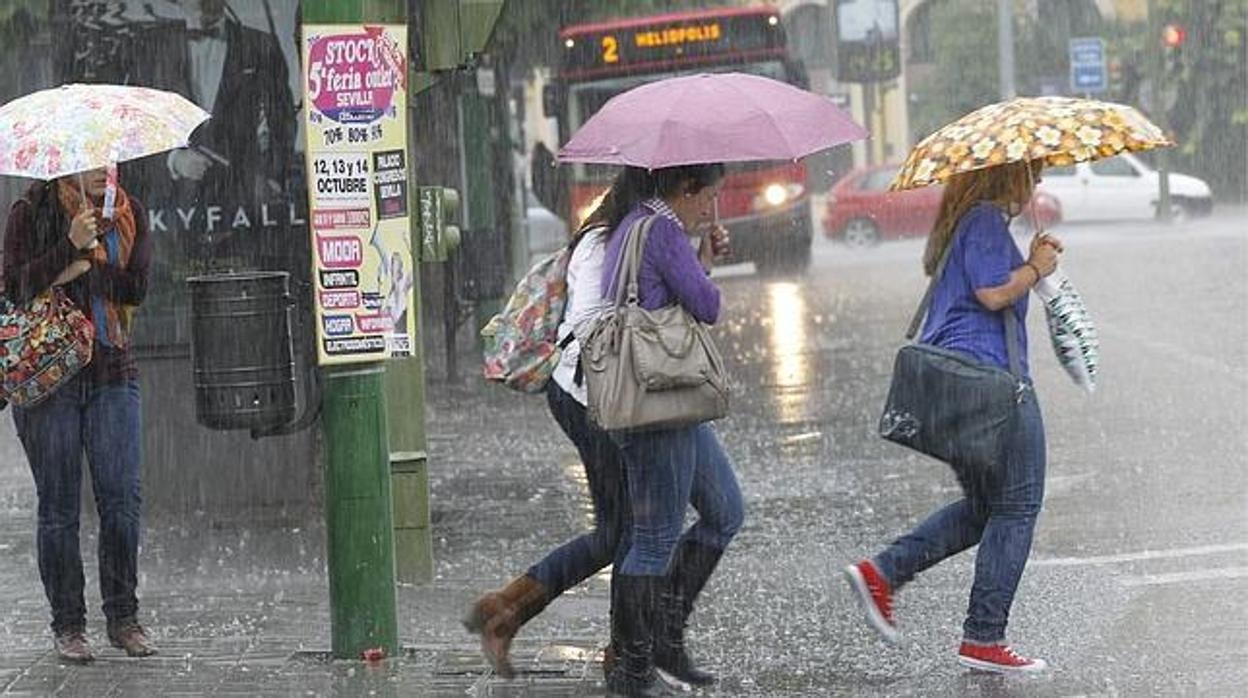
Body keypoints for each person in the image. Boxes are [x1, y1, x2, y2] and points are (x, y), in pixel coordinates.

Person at [844, 159, 1061, 674]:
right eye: (1034, 173)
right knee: (1019, 505)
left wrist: (1030, 264)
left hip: (961, 389)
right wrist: (1035, 269)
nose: (1039, 183)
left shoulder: (967, 222)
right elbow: (992, 294)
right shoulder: (983, 219)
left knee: (986, 506)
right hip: (993, 388)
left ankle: (884, 573)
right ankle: (984, 637)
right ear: (1007, 176)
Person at [462, 169, 638, 680]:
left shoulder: (614, 233)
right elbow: (590, 323)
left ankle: (506, 611)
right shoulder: (608, 242)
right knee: (631, 530)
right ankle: (622, 652)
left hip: (585, 394)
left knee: (619, 532)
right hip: (589, 397)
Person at [598, 164, 744, 697]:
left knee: (725, 508)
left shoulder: (632, 224)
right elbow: (706, 306)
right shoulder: (660, 229)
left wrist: (698, 258)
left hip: (666, 398)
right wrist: (701, 264)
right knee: (654, 540)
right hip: (658, 399)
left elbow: (661, 296)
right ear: (686, 190)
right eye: (709, 197)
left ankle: (665, 638)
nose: (711, 208)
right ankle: (635, 671)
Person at [3, 168, 156, 663]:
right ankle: (68, 624)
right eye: (89, 159)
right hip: (49, 380)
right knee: (60, 509)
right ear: (65, 163)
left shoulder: (129, 215)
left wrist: (87, 268)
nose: (100, 169)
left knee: (122, 503)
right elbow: (16, 287)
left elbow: (136, 288)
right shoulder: (31, 212)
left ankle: (123, 617)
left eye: (106, 158)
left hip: (113, 371)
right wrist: (68, 245)